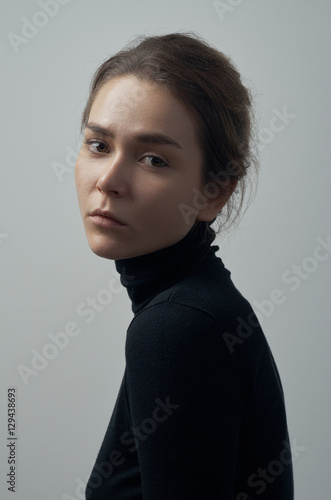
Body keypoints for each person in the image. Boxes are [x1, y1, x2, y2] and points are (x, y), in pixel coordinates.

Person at [74, 32, 294, 499]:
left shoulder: (178, 327)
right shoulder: (199, 309)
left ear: (214, 191)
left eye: (153, 159)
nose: (109, 180)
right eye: (98, 145)